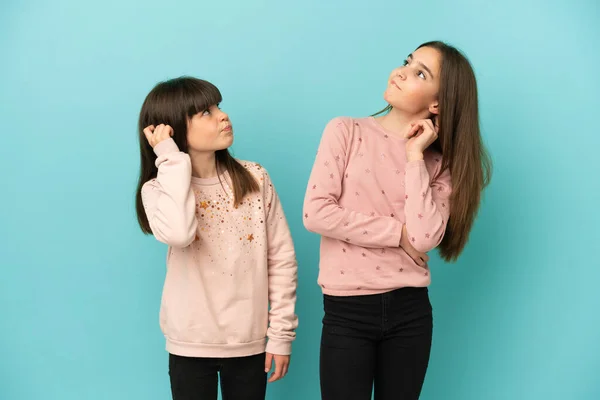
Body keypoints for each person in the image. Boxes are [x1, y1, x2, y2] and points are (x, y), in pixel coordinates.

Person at [303, 41, 492, 400]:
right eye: (407, 62)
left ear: (437, 104)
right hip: (347, 311)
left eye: (421, 72)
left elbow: (422, 238)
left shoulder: (438, 164)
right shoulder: (346, 130)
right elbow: (316, 212)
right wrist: (396, 234)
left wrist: (414, 156)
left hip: (410, 313)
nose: (402, 72)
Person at [135, 77, 299, 400]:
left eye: (219, 107)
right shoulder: (157, 191)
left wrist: (281, 334)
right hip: (190, 345)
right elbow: (180, 233)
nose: (222, 116)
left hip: (249, 344)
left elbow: (281, 259)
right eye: (206, 112)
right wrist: (170, 157)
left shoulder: (255, 179)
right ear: (173, 130)